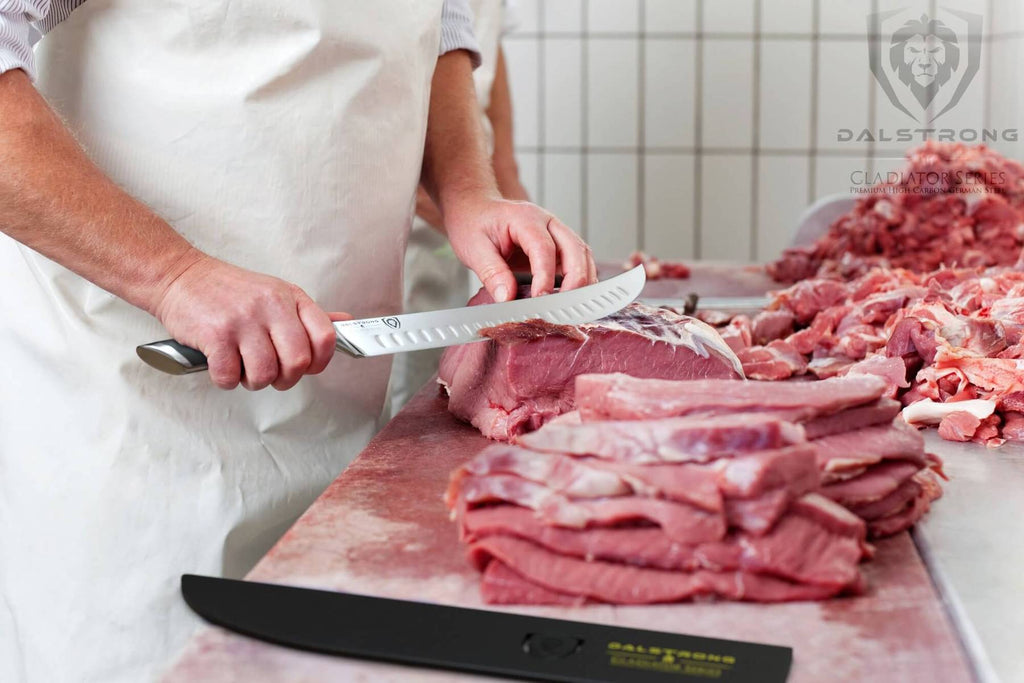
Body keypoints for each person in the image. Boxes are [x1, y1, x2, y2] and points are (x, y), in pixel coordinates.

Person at [0, 1, 596, 681]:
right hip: (140, 448)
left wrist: (468, 189)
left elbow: (441, 26)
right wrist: (172, 275)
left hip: (344, 435)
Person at [391, 0, 531, 412]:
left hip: (458, 214)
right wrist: (456, 198)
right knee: (401, 400)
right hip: (397, 229)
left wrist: (503, 188)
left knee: (446, 385)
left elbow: (476, 40)